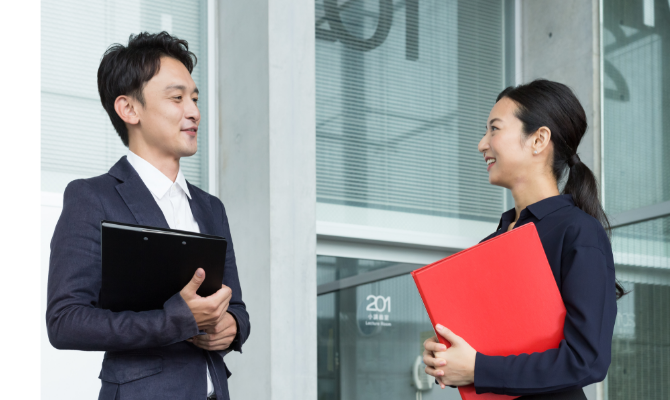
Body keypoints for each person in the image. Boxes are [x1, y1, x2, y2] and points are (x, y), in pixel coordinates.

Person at [46, 32, 250, 400]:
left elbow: (235, 306)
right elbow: (65, 322)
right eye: (177, 98)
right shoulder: (92, 198)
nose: (194, 111)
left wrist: (232, 327)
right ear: (129, 109)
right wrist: (174, 321)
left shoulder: (210, 207)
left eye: (194, 98)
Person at [422, 80, 622, 399]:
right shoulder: (492, 242)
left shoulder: (578, 232)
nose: (481, 144)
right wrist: (446, 357)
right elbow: (490, 347)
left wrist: (477, 369)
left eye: (494, 129)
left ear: (538, 139)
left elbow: (589, 361)